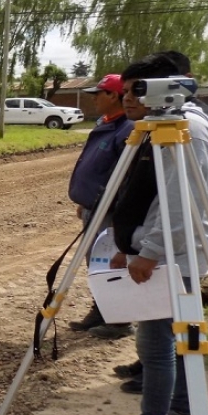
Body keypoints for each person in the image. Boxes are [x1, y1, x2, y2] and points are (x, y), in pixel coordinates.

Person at [101, 54, 208, 415]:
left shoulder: (186, 130)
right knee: (176, 344)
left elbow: (181, 203)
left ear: (165, 87)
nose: (128, 98)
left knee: (156, 348)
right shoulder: (168, 127)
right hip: (168, 252)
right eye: (125, 90)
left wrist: (149, 252)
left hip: (172, 257)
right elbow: (156, 199)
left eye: (137, 90)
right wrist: (130, 246)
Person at [67, 74, 135, 340]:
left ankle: (119, 321)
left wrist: (119, 214)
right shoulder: (107, 124)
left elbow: (125, 178)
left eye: (99, 93)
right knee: (96, 264)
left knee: (109, 264)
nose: (94, 99)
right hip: (95, 208)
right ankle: (101, 310)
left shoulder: (127, 129)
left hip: (110, 212)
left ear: (114, 95)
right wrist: (85, 202)